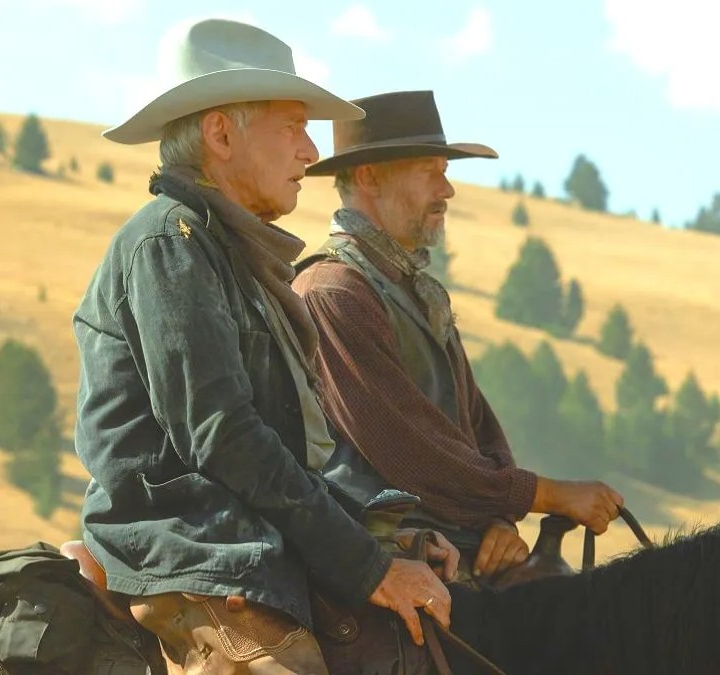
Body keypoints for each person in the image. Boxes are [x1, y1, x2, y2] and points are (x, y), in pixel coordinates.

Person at [72, 24, 455, 674]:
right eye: (293, 128)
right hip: (192, 551)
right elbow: (225, 438)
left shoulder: (227, 256)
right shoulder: (170, 245)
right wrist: (368, 568)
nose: (310, 152)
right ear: (222, 135)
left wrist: (379, 530)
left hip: (244, 545)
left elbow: (280, 453)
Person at [293, 90, 625, 585]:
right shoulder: (333, 292)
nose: (446, 190)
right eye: (431, 171)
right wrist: (551, 496)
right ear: (370, 177)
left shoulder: (416, 290)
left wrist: (496, 520)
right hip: (378, 556)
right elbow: (409, 449)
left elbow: (476, 430)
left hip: (449, 541)